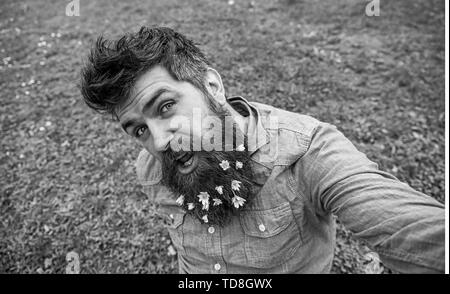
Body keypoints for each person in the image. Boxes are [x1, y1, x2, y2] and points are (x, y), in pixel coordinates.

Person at [80, 26, 445, 273]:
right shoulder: (152, 169)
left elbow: (413, 229)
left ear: (212, 86)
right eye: (139, 129)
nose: (158, 142)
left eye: (165, 107)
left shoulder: (308, 152)